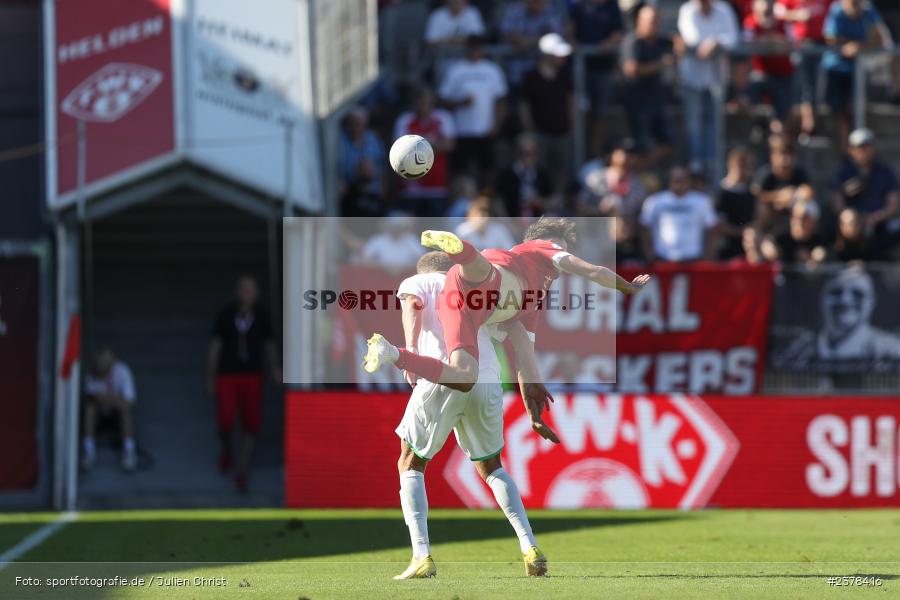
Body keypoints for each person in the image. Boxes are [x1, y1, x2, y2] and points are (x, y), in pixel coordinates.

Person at [391, 251, 556, 579]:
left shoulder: (420, 281)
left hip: (444, 374)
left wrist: (410, 351)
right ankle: (530, 546)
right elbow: (517, 331)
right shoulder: (477, 289)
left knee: (410, 462)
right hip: (488, 380)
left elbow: (412, 304)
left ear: (424, 270)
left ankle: (421, 555)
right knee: (492, 467)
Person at [363, 217, 651, 392]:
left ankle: (395, 354)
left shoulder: (534, 301)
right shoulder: (543, 249)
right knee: (490, 278)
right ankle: (462, 250)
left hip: (466, 302)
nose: (561, 254)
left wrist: (532, 406)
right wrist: (626, 286)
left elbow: (525, 358)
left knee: (464, 376)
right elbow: (592, 271)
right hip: (497, 280)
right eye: (561, 247)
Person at [207, 276, 280, 493]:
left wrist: (275, 367)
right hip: (228, 374)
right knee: (225, 421)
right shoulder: (225, 315)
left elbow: (269, 344)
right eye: (243, 288)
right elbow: (215, 346)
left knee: (251, 423)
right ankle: (228, 450)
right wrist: (210, 376)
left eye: (251, 289)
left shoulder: (262, 316)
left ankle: (242, 470)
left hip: (252, 375)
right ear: (236, 291)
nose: (247, 293)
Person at [676, 0, 740, 175]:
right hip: (692, 78)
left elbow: (733, 38)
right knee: (694, 123)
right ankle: (696, 163)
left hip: (717, 79)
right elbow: (692, 38)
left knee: (715, 123)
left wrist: (715, 42)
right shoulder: (687, 10)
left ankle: (713, 162)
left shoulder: (724, 10)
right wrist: (715, 42)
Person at [439, 35, 508, 184]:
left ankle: (487, 196)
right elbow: (444, 100)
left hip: (486, 130)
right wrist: (460, 103)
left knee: (488, 170)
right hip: (461, 130)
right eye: (472, 47)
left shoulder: (492, 70)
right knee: (460, 170)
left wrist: (496, 126)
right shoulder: (455, 70)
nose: (475, 51)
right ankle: (461, 197)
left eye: (478, 47)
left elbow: (500, 101)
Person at [822, 0, 885, 148]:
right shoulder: (836, 10)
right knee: (839, 109)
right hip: (836, 69)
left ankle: (858, 147)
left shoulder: (867, 9)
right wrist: (848, 45)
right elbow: (830, 38)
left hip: (857, 70)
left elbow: (880, 39)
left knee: (856, 108)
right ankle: (846, 148)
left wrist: (860, 46)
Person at [568, 0, 626, 155]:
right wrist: (573, 42)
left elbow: (619, 32)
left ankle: (595, 154)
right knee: (580, 113)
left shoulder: (612, 5)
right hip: (580, 69)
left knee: (601, 114)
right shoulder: (579, 5)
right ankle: (579, 152)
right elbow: (570, 29)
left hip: (603, 69)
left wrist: (608, 43)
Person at [620, 6, 675, 166]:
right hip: (637, 103)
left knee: (667, 142)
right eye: (651, 22)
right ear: (640, 21)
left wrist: (679, 44)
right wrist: (659, 65)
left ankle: (641, 170)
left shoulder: (661, 42)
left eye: (657, 21)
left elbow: (676, 43)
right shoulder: (633, 42)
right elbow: (631, 69)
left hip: (656, 100)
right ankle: (637, 172)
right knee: (640, 147)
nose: (655, 25)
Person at [519, 33, 575, 189]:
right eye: (557, 55)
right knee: (540, 172)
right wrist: (529, 129)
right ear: (547, 55)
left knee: (562, 171)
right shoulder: (531, 77)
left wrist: (571, 121)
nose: (562, 59)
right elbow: (524, 105)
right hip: (539, 132)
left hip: (562, 131)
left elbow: (570, 99)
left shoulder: (564, 75)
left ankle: (559, 200)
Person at [832, 129, 900, 256]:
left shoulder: (885, 172)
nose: (863, 150)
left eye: (866, 146)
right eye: (858, 147)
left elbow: (893, 204)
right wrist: (852, 219)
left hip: (878, 225)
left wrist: (874, 218)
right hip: (850, 225)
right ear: (851, 149)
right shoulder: (843, 172)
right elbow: (837, 203)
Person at [393, 87, 457, 216]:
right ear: (414, 102)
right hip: (410, 187)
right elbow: (399, 149)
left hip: (437, 186)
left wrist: (416, 144)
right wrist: (433, 144)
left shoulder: (443, 118)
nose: (424, 105)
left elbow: (449, 146)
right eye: (420, 101)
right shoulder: (404, 120)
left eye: (427, 101)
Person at [639, 166, 719, 262]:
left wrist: (708, 255)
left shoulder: (702, 201)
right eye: (676, 180)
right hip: (662, 258)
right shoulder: (654, 201)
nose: (680, 184)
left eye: (683, 180)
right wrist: (649, 252)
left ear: (689, 181)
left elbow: (712, 228)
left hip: (693, 259)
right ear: (669, 181)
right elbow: (644, 226)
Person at [774, 0, 829, 137]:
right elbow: (777, 10)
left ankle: (810, 125)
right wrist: (796, 15)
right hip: (800, 45)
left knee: (815, 86)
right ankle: (801, 125)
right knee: (801, 86)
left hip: (822, 45)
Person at [81, 347, 138, 472]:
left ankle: (129, 450)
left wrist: (105, 399)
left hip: (116, 414)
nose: (100, 368)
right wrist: (116, 399)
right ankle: (88, 450)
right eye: (98, 365)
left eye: (103, 365)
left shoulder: (123, 371)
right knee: (89, 409)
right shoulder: (92, 373)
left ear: (112, 363)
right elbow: (92, 397)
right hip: (100, 414)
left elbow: (129, 402)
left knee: (126, 412)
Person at [743, 0, 795, 130]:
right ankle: (758, 126)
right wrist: (768, 40)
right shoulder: (751, 23)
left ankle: (778, 135)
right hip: (761, 73)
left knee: (782, 116)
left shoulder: (782, 22)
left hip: (783, 74)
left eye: (767, 12)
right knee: (746, 98)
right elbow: (748, 44)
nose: (764, 16)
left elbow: (791, 44)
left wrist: (773, 40)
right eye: (761, 12)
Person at [576, 138, 648, 223]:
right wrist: (598, 210)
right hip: (596, 226)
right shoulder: (595, 179)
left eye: (632, 154)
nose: (628, 157)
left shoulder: (638, 185)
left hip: (625, 228)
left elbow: (642, 217)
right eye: (624, 152)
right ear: (612, 154)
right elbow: (579, 206)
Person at [499, 0, 567, 90]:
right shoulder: (515, 10)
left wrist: (532, 41)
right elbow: (510, 36)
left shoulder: (549, 10)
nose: (538, 4)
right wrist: (539, 40)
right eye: (535, 2)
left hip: (541, 69)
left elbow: (556, 36)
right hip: (517, 67)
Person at [751, 136, 813, 233]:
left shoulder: (798, 173)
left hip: (791, 210)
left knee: (806, 207)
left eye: (789, 155)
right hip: (771, 212)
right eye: (783, 155)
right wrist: (779, 196)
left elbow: (808, 191)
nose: (786, 160)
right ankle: (760, 233)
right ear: (773, 157)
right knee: (762, 208)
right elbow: (756, 195)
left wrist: (793, 196)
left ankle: (800, 236)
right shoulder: (765, 174)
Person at [494, 133, 554, 220]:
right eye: (526, 153)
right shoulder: (507, 174)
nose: (530, 158)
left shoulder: (542, 174)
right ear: (518, 153)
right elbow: (497, 201)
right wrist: (507, 222)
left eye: (534, 153)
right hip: (513, 221)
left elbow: (552, 200)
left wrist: (538, 201)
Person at [717, 146, 757, 259]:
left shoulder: (752, 193)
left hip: (747, 254)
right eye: (744, 165)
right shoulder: (720, 193)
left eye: (750, 166)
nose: (748, 170)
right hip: (724, 254)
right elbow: (720, 226)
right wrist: (743, 232)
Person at [762, 199, 828, 266]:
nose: (799, 222)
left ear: (813, 221)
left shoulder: (820, 240)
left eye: (804, 218)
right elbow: (768, 243)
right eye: (795, 217)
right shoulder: (781, 235)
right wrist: (769, 248)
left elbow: (823, 253)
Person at [338, 107, 386, 199]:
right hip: (350, 191)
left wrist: (383, 190)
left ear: (365, 124)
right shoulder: (341, 141)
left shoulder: (373, 140)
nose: (355, 128)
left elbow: (382, 167)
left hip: (373, 192)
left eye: (358, 124)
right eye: (352, 123)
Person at [360, 213, 425, 274]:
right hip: (378, 277)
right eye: (394, 226)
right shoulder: (377, 239)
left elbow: (423, 260)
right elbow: (364, 259)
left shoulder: (412, 240)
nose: (396, 229)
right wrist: (384, 266)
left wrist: (403, 267)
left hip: (406, 277)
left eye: (399, 226)